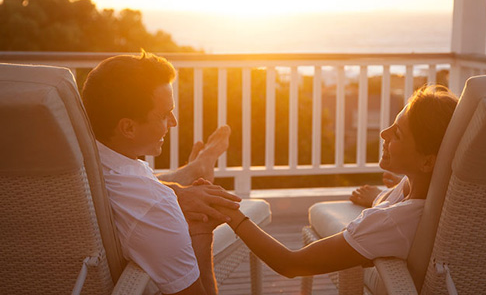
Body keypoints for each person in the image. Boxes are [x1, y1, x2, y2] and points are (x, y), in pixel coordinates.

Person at [214, 85, 458, 280]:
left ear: (427, 162)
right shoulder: (448, 197)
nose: (383, 133)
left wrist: (234, 216)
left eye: (397, 134)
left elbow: (290, 264)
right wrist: (383, 192)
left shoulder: (388, 222)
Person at [82, 51, 241, 295]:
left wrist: (175, 192)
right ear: (128, 127)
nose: (174, 122)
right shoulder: (156, 204)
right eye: (165, 114)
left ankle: (196, 169)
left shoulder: (78, 159)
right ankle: (200, 167)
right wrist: (201, 231)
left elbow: (140, 192)